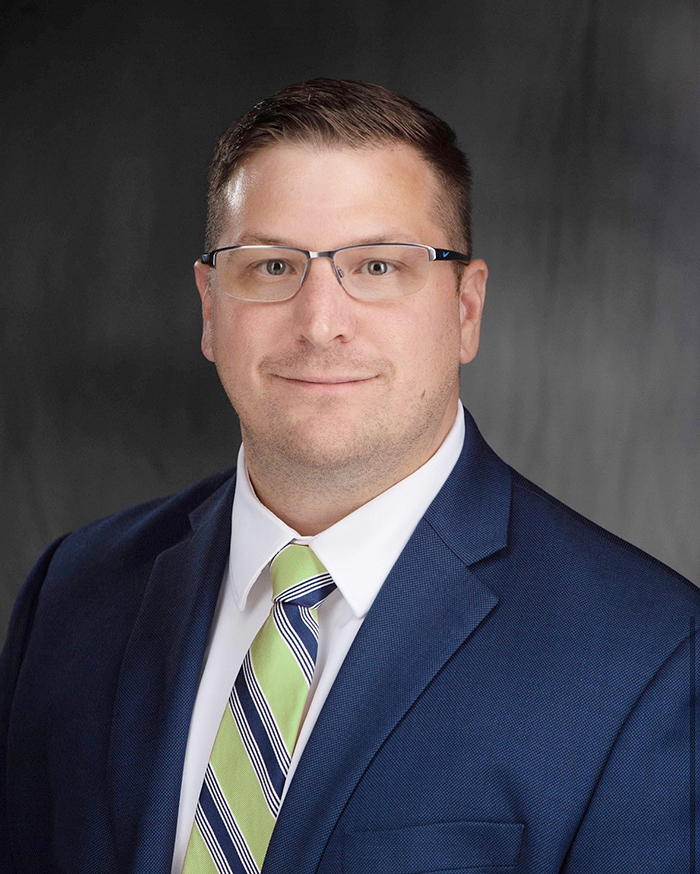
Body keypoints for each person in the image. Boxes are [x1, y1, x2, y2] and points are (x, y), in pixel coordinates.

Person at [0, 78, 697, 874]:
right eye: (271, 266)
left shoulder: (650, 658)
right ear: (209, 306)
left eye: (377, 266)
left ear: (465, 310)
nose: (320, 322)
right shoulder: (73, 594)